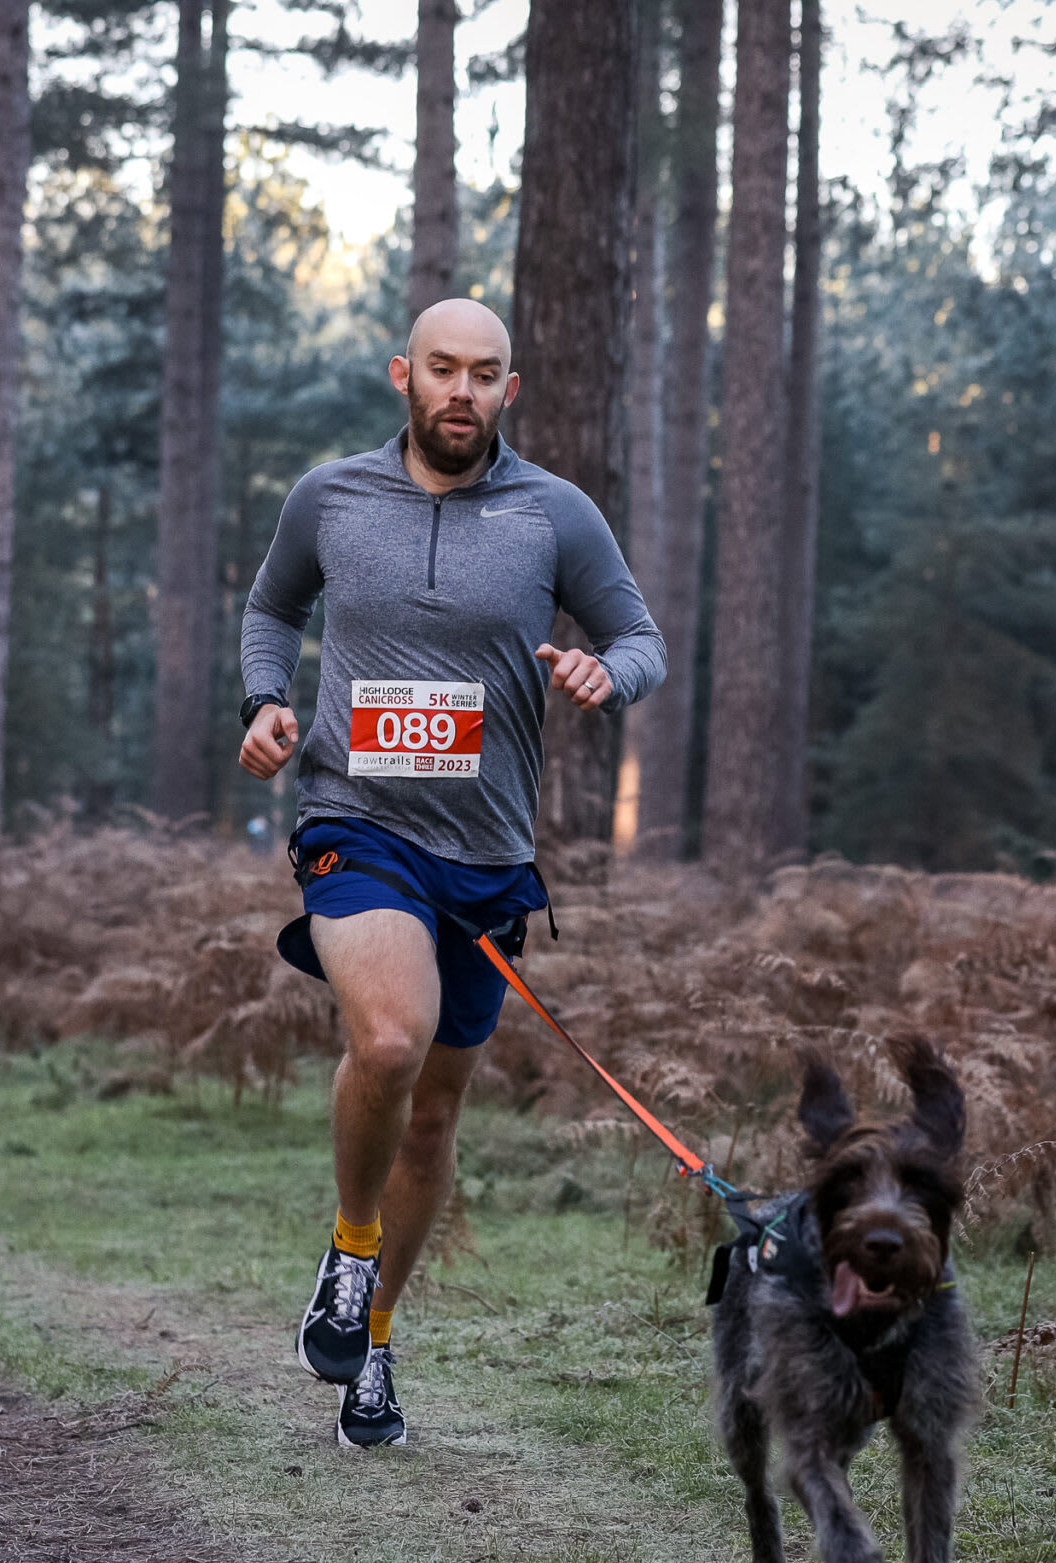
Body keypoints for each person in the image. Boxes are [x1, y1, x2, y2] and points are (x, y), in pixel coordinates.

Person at [237, 297, 666, 1447]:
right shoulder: (330, 497)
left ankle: (372, 1337)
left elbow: (642, 640)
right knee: (389, 1040)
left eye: (483, 374)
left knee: (430, 1120)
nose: (461, 391)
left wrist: (606, 676)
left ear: (508, 390)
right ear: (404, 376)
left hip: (486, 858)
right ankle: (351, 1246)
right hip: (356, 823)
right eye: (442, 369)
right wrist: (264, 702)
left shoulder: (554, 513)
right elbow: (272, 606)